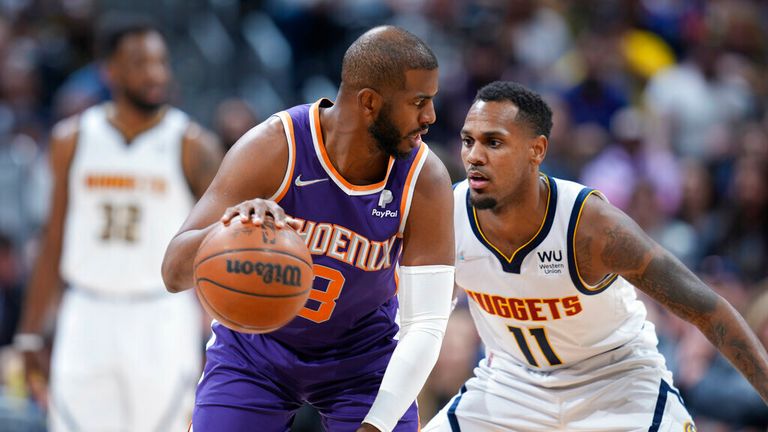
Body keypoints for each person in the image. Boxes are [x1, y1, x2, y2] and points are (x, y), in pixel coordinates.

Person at [424, 81, 768, 431]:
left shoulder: (592, 227)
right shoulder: (445, 217)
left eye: (493, 142)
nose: (474, 156)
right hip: (511, 385)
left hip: (615, 382)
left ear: (536, 150)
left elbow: (708, 310)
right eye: (468, 141)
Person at [162, 26, 455, 432]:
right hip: (257, 351)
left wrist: (378, 424)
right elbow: (173, 272)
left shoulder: (424, 178)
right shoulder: (274, 147)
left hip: (363, 360)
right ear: (370, 102)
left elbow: (426, 323)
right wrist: (231, 233)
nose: (431, 117)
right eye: (419, 102)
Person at [14, 14, 223, 432]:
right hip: (86, 312)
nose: (155, 74)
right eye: (140, 63)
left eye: (160, 62)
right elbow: (53, 238)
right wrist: (31, 332)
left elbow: (221, 243)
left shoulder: (192, 144)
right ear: (109, 70)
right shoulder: (72, 138)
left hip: (159, 316)